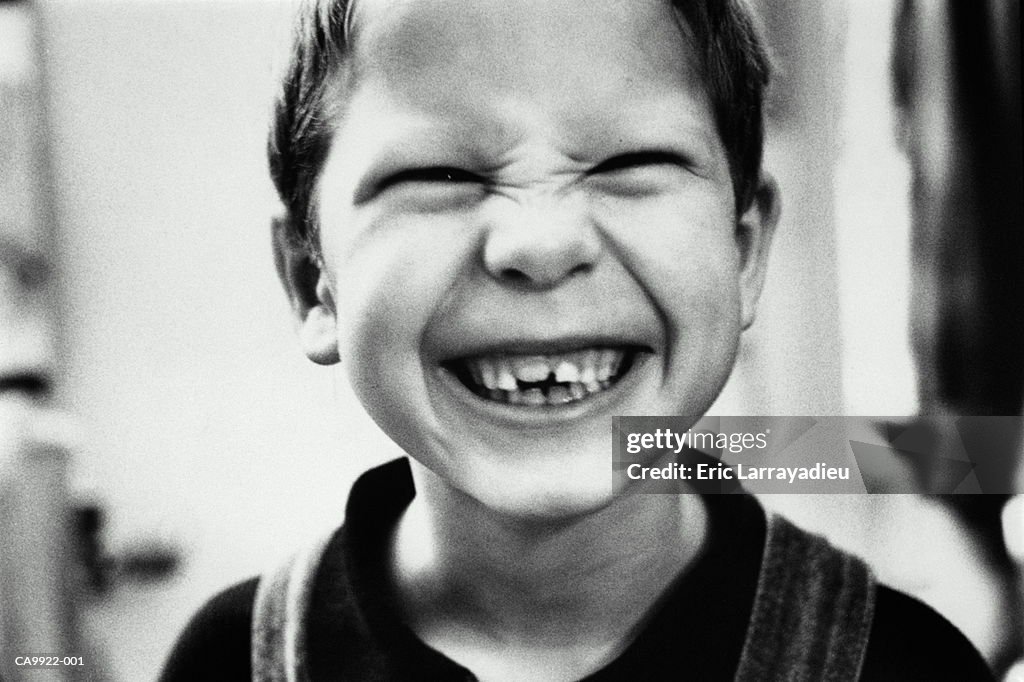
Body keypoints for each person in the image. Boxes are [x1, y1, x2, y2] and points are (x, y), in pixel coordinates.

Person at [161, 0, 994, 679]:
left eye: (629, 162)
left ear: (742, 253)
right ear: (315, 283)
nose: (540, 243)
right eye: (438, 175)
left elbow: (963, 455)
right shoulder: (228, 660)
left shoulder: (907, 665)